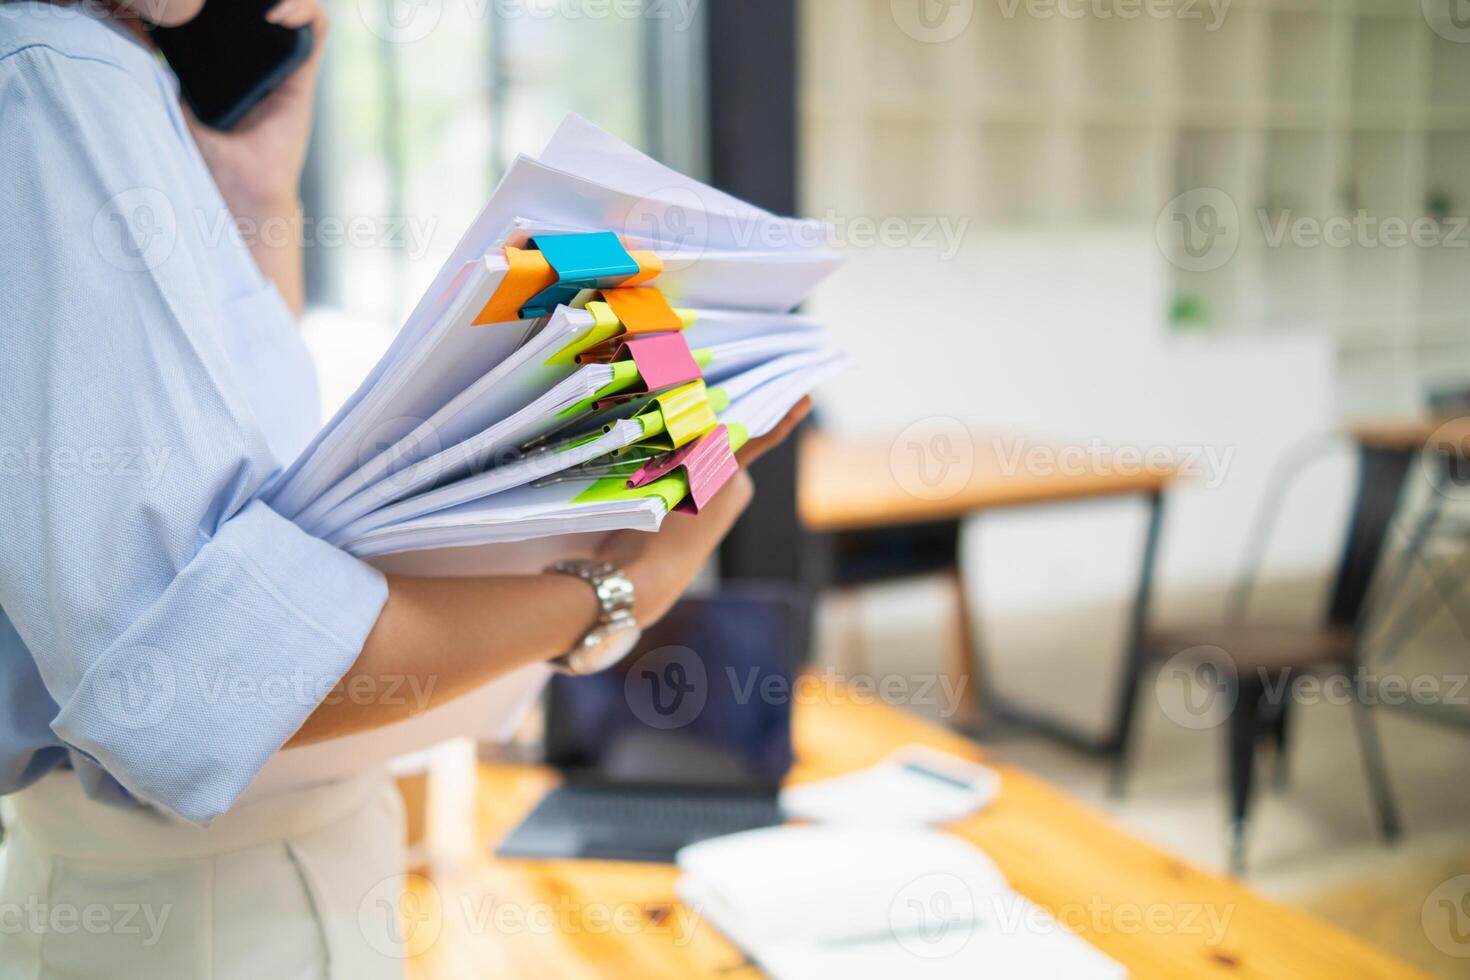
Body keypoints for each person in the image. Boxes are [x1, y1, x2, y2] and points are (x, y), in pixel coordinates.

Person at [0, 1, 809, 975]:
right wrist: (618, 592)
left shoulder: (118, 79)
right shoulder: (54, 75)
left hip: (281, 873)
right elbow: (191, 677)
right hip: (195, 909)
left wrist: (260, 197)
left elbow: (254, 484)